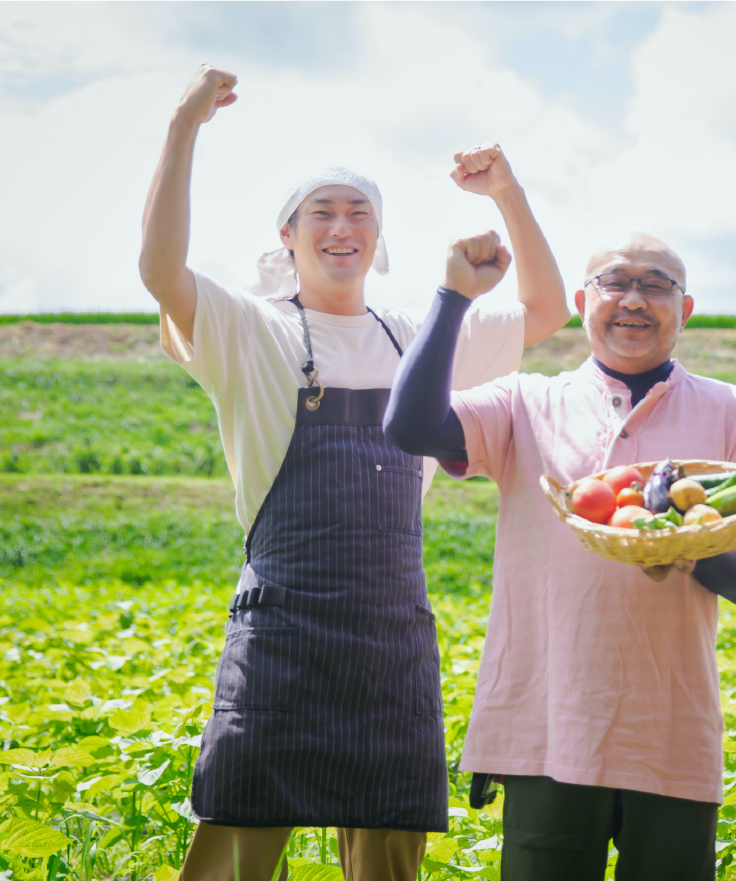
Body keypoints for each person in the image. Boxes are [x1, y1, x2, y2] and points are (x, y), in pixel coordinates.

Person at [138, 66, 570, 881]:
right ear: (288, 237)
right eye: (321, 213)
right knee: (239, 839)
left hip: (388, 636)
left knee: (386, 855)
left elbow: (546, 309)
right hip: (281, 631)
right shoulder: (249, 330)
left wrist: (505, 192)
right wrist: (184, 125)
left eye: (358, 212)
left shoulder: (417, 335)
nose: (341, 226)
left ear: (379, 238)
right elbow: (161, 272)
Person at [384, 209, 736, 879]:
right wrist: (453, 296)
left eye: (655, 285)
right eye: (613, 281)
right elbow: (408, 425)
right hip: (549, 725)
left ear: (683, 309)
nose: (633, 298)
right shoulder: (525, 402)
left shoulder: (731, 410)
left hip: (671, 730)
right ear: (581, 303)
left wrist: (690, 546)